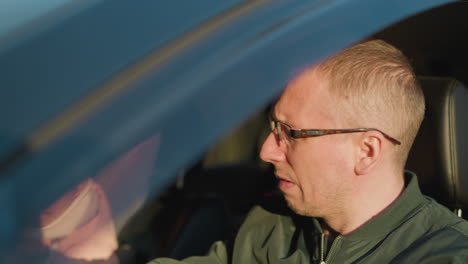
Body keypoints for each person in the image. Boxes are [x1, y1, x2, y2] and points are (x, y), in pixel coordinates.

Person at [149, 39, 468, 263]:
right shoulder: (270, 228)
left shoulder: (448, 254)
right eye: (274, 127)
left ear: (366, 152)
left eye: (291, 133)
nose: (266, 151)